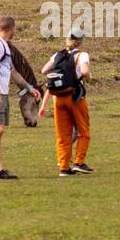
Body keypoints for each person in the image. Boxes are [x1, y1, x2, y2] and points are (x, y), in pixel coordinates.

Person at [0, 16, 40, 181]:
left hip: (1, 92)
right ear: (11, 28)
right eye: (14, 29)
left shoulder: (4, 46)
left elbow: (13, 72)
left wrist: (29, 88)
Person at [39, 27, 92, 177]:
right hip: (75, 97)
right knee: (83, 130)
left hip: (58, 99)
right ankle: (79, 162)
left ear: (67, 39)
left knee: (63, 134)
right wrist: (88, 78)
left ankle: (63, 167)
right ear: (80, 42)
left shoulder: (57, 55)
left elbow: (44, 70)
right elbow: (85, 72)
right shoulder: (82, 55)